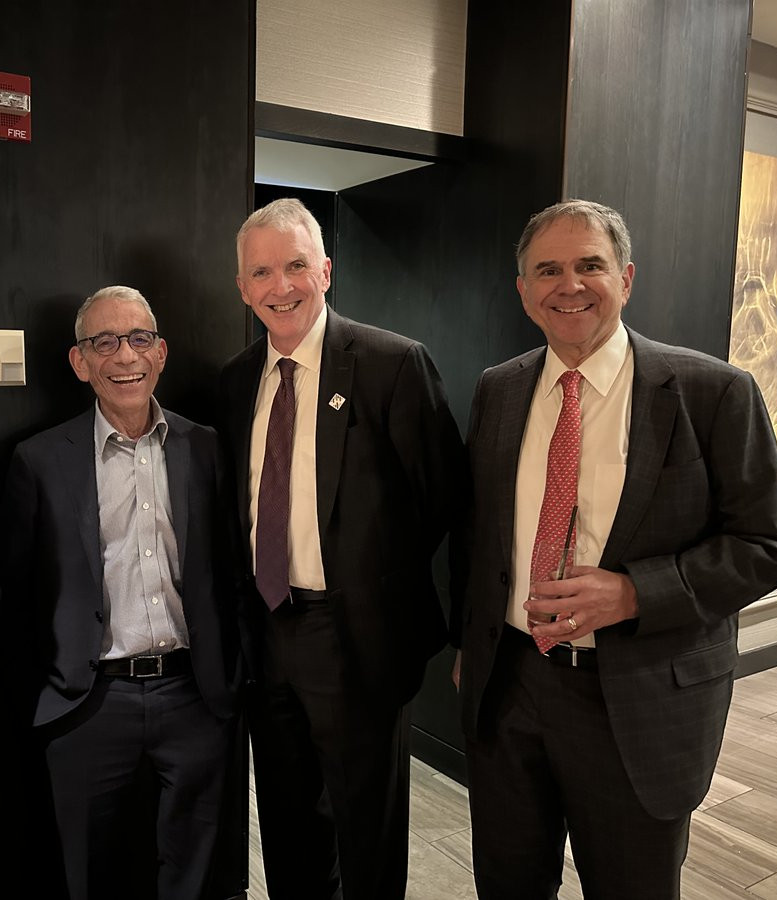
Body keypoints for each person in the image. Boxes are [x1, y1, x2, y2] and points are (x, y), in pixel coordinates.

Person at [452, 198, 777, 899]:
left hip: (637, 698)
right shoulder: (500, 388)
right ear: (523, 291)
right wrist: (470, 643)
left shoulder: (711, 392)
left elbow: (771, 542)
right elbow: (478, 529)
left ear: (627, 278)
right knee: (507, 882)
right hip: (512, 686)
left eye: (591, 265)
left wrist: (637, 592)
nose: (570, 285)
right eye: (547, 270)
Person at [219, 198, 466, 899]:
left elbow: (445, 500)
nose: (281, 286)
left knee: (367, 836)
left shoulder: (393, 365)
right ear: (242, 288)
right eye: (262, 272)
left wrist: (384, 589)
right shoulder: (234, 381)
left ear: (326, 271)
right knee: (287, 822)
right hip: (267, 634)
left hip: (356, 640)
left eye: (296, 265)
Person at [6, 286, 239, 900]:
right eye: (104, 342)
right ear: (80, 362)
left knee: (194, 872)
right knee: (85, 874)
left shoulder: (208, 449)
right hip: (88, 703)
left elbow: (231, 574)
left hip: (194, 697)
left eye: (139, 338)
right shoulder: (39, 461)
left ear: (160, 352)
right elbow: (18, 594)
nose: (125, 356)